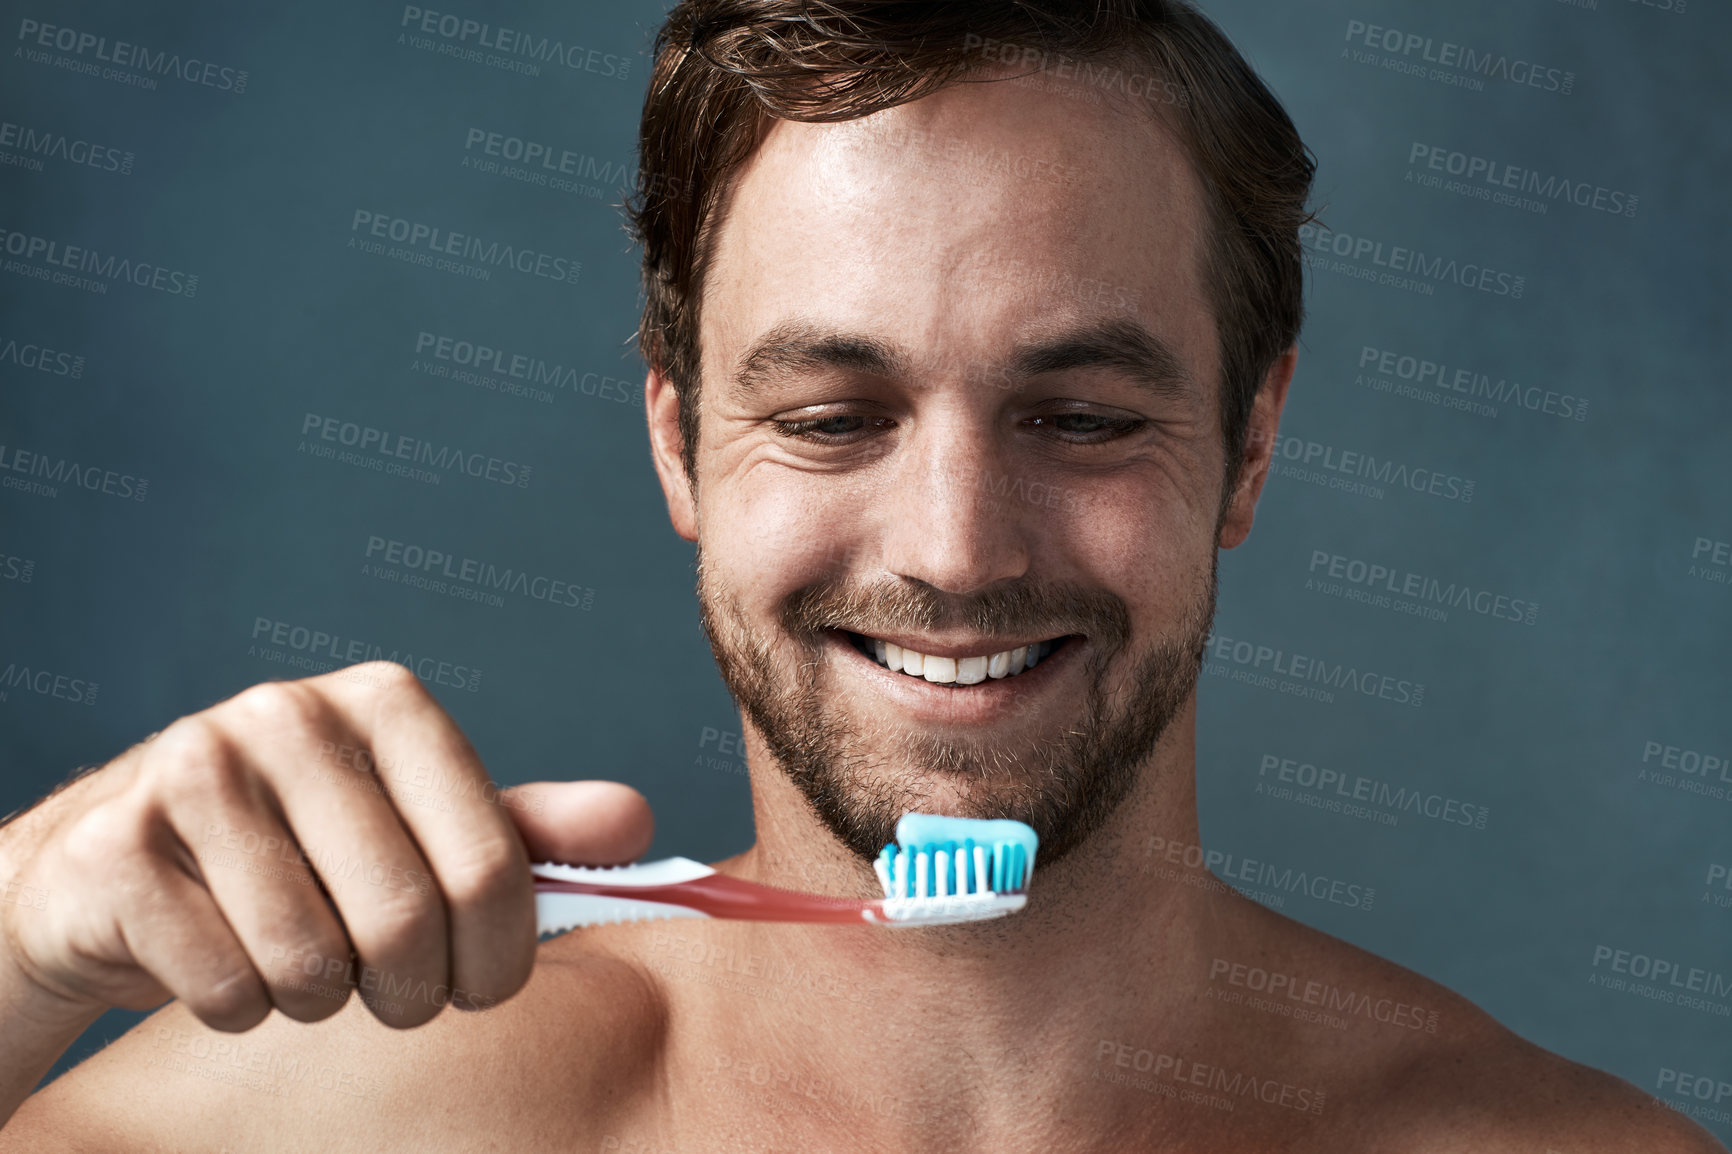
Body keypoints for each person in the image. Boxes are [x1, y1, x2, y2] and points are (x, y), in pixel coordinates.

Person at [0, 2, 1720, 1150]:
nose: (957, 548)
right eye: (833, 414)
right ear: (679, 442)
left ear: (1251, 443)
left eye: (1084, 414)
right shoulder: (365, 1119)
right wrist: (20, 939)